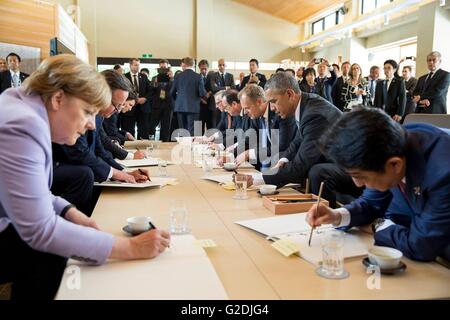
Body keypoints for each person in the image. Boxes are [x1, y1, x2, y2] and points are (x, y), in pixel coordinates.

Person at [0, 54, 170, 300]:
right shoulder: (23, 125)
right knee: (52, 248)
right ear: (58, 98)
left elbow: (29, 191)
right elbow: (40, 231)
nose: (92, 124)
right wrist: (130, 247)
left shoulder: (22, 106)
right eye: (88, 112)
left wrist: (69, 210)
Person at [306, 108, 450, 262]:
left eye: (360, 176)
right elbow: (371, 204)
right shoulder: (387, 145)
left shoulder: (444, 172)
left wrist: (378, 225)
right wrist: (336, 216)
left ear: (395, 165)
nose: (358, 184)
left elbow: (420, 246)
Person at [236, 72, 342, 188]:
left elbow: (302, 163)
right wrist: (283, 159)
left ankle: (322, 206)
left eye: (273, 102)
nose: (271, 108)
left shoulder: (314, 115)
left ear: (290, 94)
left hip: (350, 166)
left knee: (317, 172)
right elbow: (296, 142)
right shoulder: (304, 106)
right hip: (331, 160)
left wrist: (258, 178)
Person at [234, 84, 297, 171]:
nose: (244, 113)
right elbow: (249, 140)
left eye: (247, 108)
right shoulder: (256, 115)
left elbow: (281, 147)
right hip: (265, 164)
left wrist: (249, 153)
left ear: (259, 102)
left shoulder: (280, 112)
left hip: (284, 164)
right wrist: (228, 154)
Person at [170, 57, 207, 136]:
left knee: (183, 131)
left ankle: (183, 147)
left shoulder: (178, 76)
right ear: (193, 64)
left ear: (184, 64)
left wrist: (178, 100)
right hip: (193, 107)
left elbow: (171, 92)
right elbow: (202, 93)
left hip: (180, 107)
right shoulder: (198, 76)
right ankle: (191, 147)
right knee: (192, 131)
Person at [123, 58, 153, 139]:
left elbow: (150, 90)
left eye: (138, 65)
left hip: (142, 108)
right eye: (135, 65)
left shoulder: (143, 77)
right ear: (130, 66)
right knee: (129, 129)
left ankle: (143, 148)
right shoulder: (124, 77)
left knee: (143, 130)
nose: (137, 67)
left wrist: (145, 98)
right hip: (129, 108)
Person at [149, 59, 174, 141]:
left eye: (164, 67)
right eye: (161, 67)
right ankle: (151, 141)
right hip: (156, 105)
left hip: (168, 106)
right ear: (159, 67)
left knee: (166, 127)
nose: (163, 69)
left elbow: (174, 89)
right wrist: (155, 84)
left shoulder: (172, 79)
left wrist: (172, 79)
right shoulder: (154, 78)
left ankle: (164, 142)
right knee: (152, 125)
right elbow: (151, 91)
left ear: (168, 67)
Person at [210, 58, 236, 128]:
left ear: (225, 66)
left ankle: (226, 137)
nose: (222, 66)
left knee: (227, 122)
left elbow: (233, 88)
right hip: (217, 103)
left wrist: (219, 87)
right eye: (220, 65)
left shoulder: (230, 76)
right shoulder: (213, 75)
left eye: (223, 65)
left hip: (227, 103)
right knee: (216, 122)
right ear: (218, 66)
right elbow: (213, 89)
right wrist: (226, 88)